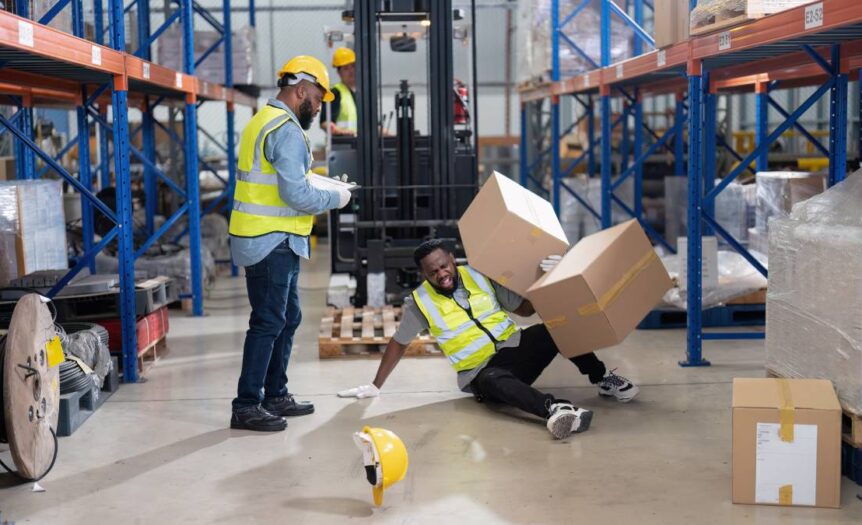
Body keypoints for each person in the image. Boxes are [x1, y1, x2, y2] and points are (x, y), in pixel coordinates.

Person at [338, 239, 640, 439]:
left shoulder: (479, 276)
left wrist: (542, 276)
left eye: (444, 266)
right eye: (433, 272)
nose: (442, 274)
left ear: (452, 260)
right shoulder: (420, 302)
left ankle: (602, 379)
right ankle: (556, 410)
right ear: (423, 274)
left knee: (554, 327)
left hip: (514, 349)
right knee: (494, 380)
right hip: (480, 370)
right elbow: (399, 343)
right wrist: (376, 385)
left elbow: (525, 309)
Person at [228, 55, 354, 432]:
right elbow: (296, 194)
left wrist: (324, 184)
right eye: (316, 99)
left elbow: (287, 180)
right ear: (301, 90)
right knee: (268, 321)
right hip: (269, 241)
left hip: (274, 238)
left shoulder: (266, 120)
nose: (317, 107)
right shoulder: (284, 128)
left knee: (288, 317)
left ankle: (275, 394)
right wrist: (337, 198)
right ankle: (247, 404)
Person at [320, 47, 357, 136]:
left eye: (353, 66)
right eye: (346, 68)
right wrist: (338, 131)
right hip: (343, 144)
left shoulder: (363, 92)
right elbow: (324, 122)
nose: (351, 71)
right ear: (339, 72)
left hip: (361, 143)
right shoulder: (335, 93)